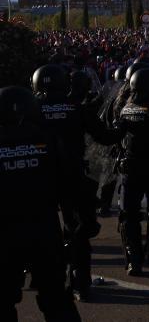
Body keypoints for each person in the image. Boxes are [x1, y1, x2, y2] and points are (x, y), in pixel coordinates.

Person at [0, 86, 82, 322]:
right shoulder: (48, 140)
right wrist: (76, 223)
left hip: (6, 233)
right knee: (56, 297)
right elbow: (70, 184)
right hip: (44, 229)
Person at [31, 65, 103, 302]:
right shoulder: (77, 108)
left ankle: (45, 277)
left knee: (45, 229)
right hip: (73, 175)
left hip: (42, 178)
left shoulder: (33, 109)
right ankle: (80, 281)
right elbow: (103, 135)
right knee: (79, 229)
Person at [108, 68, 149, 275]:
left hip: (131, 167)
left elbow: (116, 136)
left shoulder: (126, 108)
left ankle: (133, 259)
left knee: (129, 215)